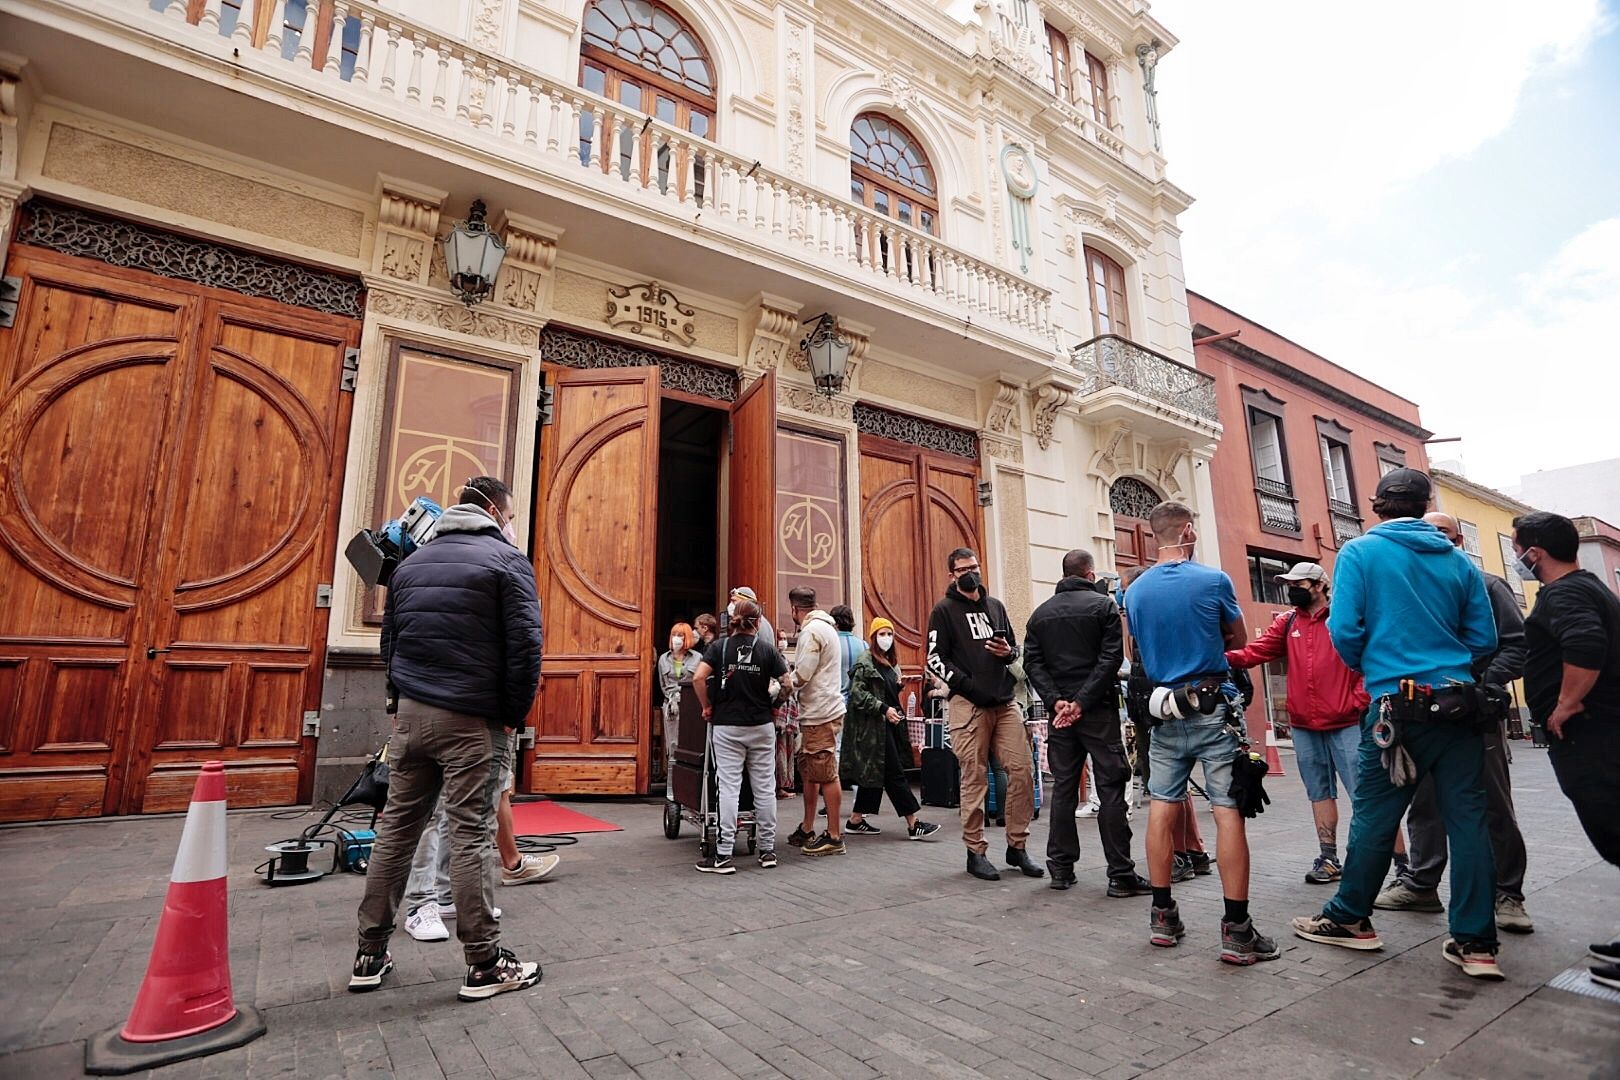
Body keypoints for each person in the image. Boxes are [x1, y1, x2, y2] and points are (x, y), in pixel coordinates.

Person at [1290, 468, 1503, 980]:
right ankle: (1475, 943)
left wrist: (1379, 664)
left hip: (1395, 706)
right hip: (1458, 703)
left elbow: (1345, 629)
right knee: (1469, 820)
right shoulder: (1458, 562)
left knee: (1376, 815)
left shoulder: (1361, 553)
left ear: (1378, 505)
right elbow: (1484, 639)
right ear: (1424, 503)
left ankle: (1350, 918)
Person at [353, 477, 543, 1001]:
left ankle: (369, 953)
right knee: (470, 834)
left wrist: (397, 708)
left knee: (396, 832)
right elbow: (526, 647)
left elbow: (389, 645)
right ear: (496, 513)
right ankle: (483, 962)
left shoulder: (410, 566)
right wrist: (510, 716)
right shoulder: (507, 562)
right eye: (511, 515)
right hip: (472, 720)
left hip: (411, 719)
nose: (512, 524)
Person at [1127, 503, 1278, 965]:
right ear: (1189, 530)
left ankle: (1162, 916)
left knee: (1162, 808)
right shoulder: (1213, 580)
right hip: (1213, 707)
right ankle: (1237, 930)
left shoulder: (1133, 591)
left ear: (1152, 536)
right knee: (1227, 811)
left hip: (1164, 710)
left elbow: (1136, 649)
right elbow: (1235, 640)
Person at [1376, 513, 1532, 932]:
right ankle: (1422, 883)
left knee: (1492, 802)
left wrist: (1481, 687)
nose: (1431, 541)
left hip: (1474, 713)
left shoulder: (1485, 583)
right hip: (1420, 713)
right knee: (1424, 802)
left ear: (1457, 539)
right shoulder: (1409, 587)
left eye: (1441, 533)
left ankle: (1507, 894)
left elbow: (1515, 647)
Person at [1511, 512, 1620, 989]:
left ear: (1535, 552)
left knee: (1614, 831)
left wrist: (1565, 705)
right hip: (1601, 732)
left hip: (1595, 735)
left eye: (1518, 549)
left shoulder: (1567, 593)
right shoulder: (1591, 587)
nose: (1517, 557)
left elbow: (1586, 642)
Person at [1226, 562, 1370, 886]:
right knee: (1319, 793)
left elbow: (1369, 660)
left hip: (1346, 722)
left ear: (1319, 586)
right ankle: (1329, 857)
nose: (1291, 589)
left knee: (1365, 796)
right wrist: (1217, 657)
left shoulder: (1343, 618)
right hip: (1306, 725)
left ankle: (1392, 865)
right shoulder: (1288, 621)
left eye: (1298, 583)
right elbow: (1255, 652)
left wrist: (1358, 700)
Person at [1024, 549, 1149, 896]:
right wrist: (1082, 702)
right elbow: (1112, 658)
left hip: (1061, 713)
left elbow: (1032, 664)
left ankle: (1061, 870)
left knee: (1064, 787)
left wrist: (1057, 702)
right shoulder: (1103, 607)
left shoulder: (1040, 615)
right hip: (1097, 710)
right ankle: (1120, 874)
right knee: (1110, 786)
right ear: (1090, 575)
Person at [927, 547, 1044, 882]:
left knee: (1022, 770)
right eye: (962, 568)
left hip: (1004, 702)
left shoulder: (995, 606)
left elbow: (1014, 648)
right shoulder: (944, 611)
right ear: (952, 574)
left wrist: (1009, 654)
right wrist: (966, 684)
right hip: (969, 703)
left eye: (974, 566)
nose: (970, 572)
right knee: (974, 777)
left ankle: (1017, 846)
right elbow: (934, 659)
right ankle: (975, 851)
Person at [402, 734, 558, 944]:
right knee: (429, 809)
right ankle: (420, 905)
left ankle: (447, 895)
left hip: (478, 720)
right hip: (435, 713)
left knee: (461, 807)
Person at [1119, 568, 1209, 882]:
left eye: (1125, 589)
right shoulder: (1137, 619)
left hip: (1159, 710)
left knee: (1165, 788)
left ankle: (1181, 855)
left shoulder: (1146, 617)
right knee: (1175, 787)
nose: (1122, 596)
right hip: (1151, 708)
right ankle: (1194, 851)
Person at [690, 598, 785, 874]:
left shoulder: (719, 648)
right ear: (757, 622)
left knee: (728, 787)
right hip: (761, 725)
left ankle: (723, 855)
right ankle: (767, 851)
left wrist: (707, 706)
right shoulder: (768, 650)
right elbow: (788, 683)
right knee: (765, 788)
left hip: (727, 726)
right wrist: (775, 706)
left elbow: (698, 678)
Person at [843, 617, 942, 839]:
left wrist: (896, 688)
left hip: (885, 727)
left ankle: (856, 820)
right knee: (894, 774)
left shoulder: (887, 662)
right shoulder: (865, 661)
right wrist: (883, 708)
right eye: (882, 634)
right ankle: (913, 823)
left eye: (889, 634)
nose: (886, 638)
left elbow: (880, 691)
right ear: (873, 637)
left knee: (878, 774)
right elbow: (858, 695)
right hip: (873, 730)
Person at [783, 586, 847, 856]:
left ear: (795, 609)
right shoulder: (827, 627)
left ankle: (834, 836)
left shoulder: (811, 632)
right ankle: (808, 826)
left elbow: (803, 673)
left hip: (821, 711)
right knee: (811, 772)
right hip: (820, 709)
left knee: (826, 773)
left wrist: (783, 684)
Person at [655, 622, 699, 791]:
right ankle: (672, 789)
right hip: (672, 707)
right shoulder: (663, 659)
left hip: (690, 706)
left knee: (690, 747)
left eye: (681, 635)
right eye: (674, 634)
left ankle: (689, 788)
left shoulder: (696, 658)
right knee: (672, 746)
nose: (677, 638)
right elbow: (663, 684)